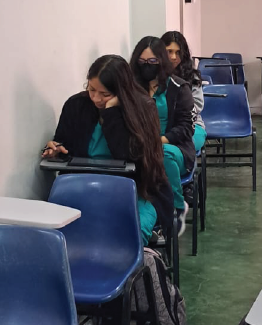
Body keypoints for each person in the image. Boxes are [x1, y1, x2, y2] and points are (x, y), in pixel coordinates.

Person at [42, 55, 173, 244]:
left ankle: (141, 258)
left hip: (135, 191)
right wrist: (56, 148)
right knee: (62, 238)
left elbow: (129, 155)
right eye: (91, 89)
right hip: (83, 188)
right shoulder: (76, 105)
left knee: (126, 237)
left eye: (105, 94)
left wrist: (111, 112)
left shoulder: (143, 108)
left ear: (121, 91)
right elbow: (63, 141)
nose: (96, 98)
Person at [131, 36, 195, 227]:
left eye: (152, 61)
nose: (147, 65)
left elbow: (185, 127)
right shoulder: (131, 88)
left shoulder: (178, 87)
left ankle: (175, 210)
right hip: (140, 146)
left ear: (161, 60)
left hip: (173, 146)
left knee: (163, 154)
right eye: (142, 61)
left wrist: (159, 141)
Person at [160, 31, 208, 163]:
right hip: (163, 125)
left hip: (191, 126)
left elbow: (197, 106)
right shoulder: (154, 76)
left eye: (178, 52)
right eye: (169, 51)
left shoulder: (192, 76)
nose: (173, 57)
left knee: (176, 148)